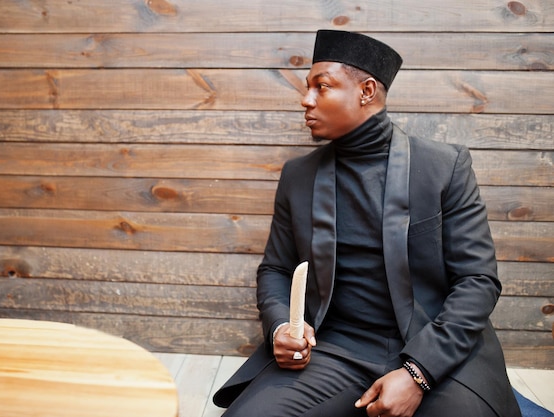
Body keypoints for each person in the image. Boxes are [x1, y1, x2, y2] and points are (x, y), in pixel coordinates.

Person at [212, 30, 521, 417]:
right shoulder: (298, 175)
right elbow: (276, 268)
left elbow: (478, 281)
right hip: (334, 349)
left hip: (436, 345)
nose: (305, 100)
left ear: (367, 91)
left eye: (321, 87)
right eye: (307, 88)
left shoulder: (444, 167)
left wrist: (417, 372)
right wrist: (281, 327)